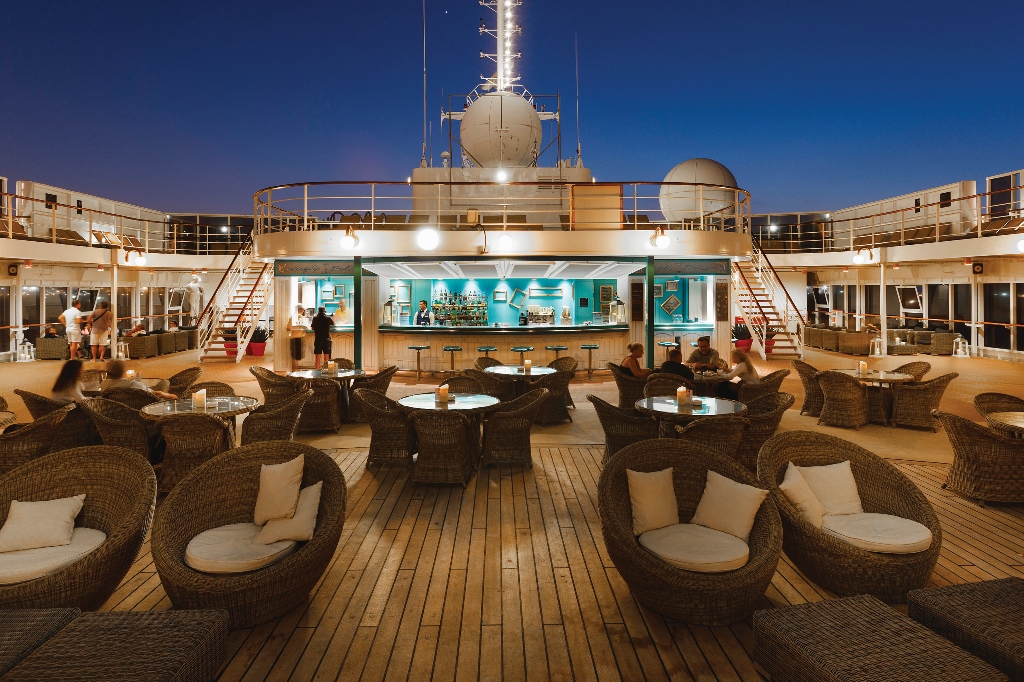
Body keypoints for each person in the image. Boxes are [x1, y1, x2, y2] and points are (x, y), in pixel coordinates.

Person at [100, 360, 177, 399]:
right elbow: (155, 394)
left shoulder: (104, 385)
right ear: (122, 372)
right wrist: (169, 395)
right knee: (165, 382)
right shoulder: (132, 384)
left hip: (116, 412)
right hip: (142, 406)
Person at [286, 305, 308, 371]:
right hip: (299, 337)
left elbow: (288, 328)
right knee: (297, 355)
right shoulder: (300, 317)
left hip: (293, 338)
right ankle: (295, 370)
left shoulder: (292, 316)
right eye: (303, 309)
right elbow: (306, 327)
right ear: (300, 309)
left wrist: (294, 328)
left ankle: (294, 370)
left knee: (294, 356)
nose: (303, 311)